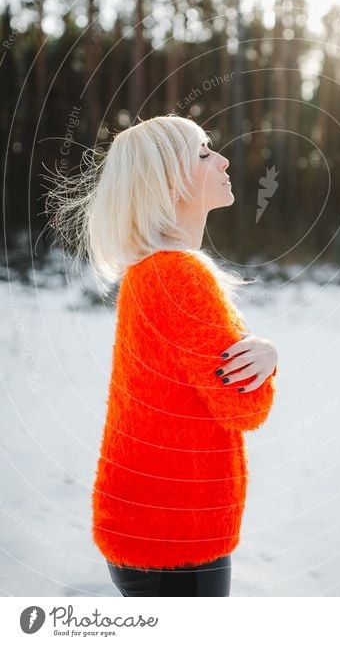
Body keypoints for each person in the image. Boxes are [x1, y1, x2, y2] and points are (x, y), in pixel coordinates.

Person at [44, 113, 278, 597]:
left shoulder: (149, 273)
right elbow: (244, 406)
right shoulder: (177, 277)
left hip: (149, 530)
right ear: (169, 183)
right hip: (176, 539)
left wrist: (260, 351)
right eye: (203, 152)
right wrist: (268, 361)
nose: (223, 159)